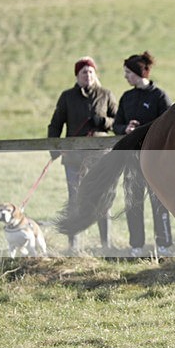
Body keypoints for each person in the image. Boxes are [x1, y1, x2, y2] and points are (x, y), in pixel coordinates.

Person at [48, 56, 116, 252]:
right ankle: (73, 245)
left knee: (102, 198)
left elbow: (117, 120)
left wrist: (102, 121)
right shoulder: (67, 97)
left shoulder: (105, 94)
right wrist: (54, 148)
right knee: (75, 198)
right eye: (83, 72)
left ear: (95, 74)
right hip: (73, 158)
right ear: (77, 75)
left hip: (101, 157)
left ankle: (106, 244)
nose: (87, 75)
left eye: (90, 71)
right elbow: (56, 124)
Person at [113, 51, 174, 257]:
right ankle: (136, 246)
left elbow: (169, 124)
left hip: (156, 162)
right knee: (133, 203)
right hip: (131, 160)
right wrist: (125, 129)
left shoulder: (159, 96)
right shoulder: (126, 97)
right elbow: (116, 124)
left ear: (139, 72)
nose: (125, 77)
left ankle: (164, 245)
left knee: (160, 204)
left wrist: (143, 130)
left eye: (128, 72)